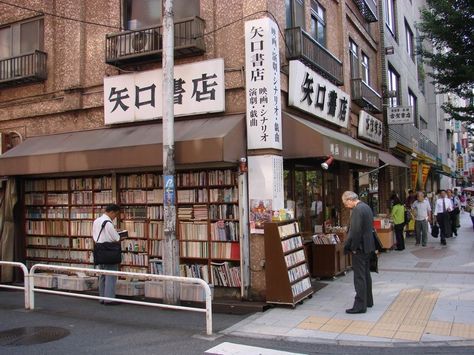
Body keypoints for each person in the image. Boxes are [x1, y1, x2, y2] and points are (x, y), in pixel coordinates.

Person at [341, 191, 375, 314]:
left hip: (360, 248)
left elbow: (355, 232)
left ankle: (360, 305)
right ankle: (368, 300)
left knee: (359, 277)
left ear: (350, 199)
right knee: (366, 274)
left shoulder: (357, 210)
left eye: (345, 203)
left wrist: (353, 247)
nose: (345, 206)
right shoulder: (366, 207)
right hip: (368, 246)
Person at [92, 204, 122, 305]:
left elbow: (95, 236)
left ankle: (102, 297)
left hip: (100, 250)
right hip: (109, 251)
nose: (115, 217)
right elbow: (116, 238)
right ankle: (109, 299)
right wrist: (120, 235)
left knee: (102, 275)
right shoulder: (108, 223)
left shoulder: (96, 221)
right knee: (111, 275)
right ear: (112, 212)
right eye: (116, 214)